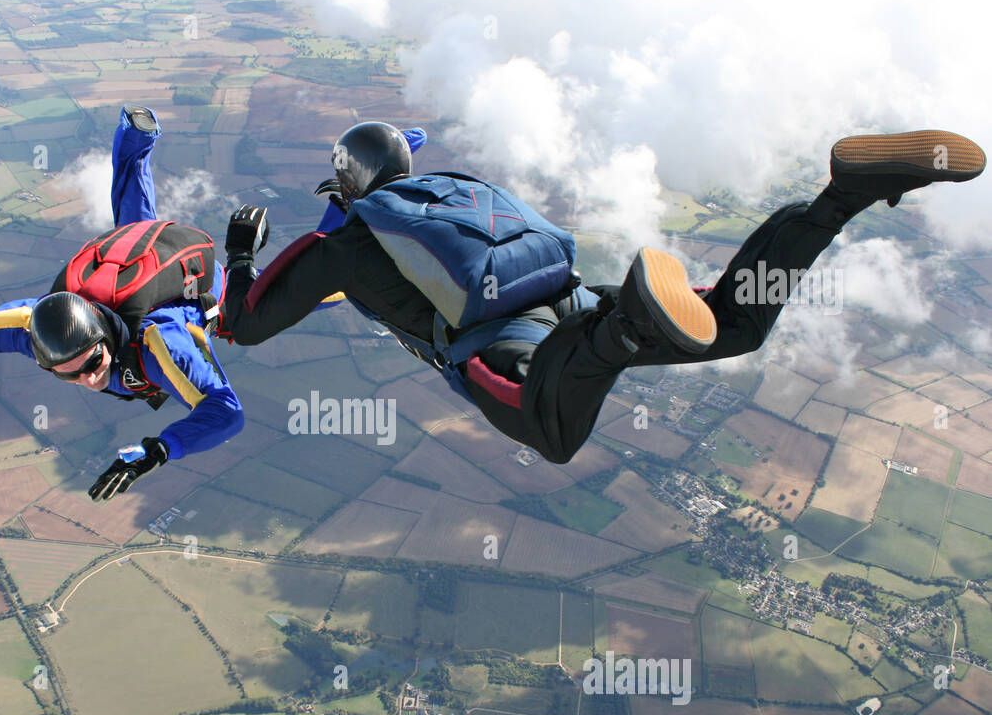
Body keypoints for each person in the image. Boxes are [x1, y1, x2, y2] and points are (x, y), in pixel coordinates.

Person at [216, 123, 985, 464]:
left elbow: (243, 329)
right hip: (572, 294)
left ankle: (617, 337)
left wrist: (242, 259)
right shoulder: (452, 189)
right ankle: (836, 203)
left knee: (547, 428)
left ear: (345, 184)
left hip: (500, 344)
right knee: (731, 323)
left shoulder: (339, 247)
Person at [0, 105, 244, 500]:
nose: (87, 379)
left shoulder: (162, 343)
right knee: (135, 226)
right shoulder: (34, 328)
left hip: (204, 286)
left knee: (272, 308)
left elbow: (226, 413)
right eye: (66, 374)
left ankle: (313, 246)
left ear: (101, 342)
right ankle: (135, 137)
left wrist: (161, 448)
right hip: (125, 272)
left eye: (93, 363)